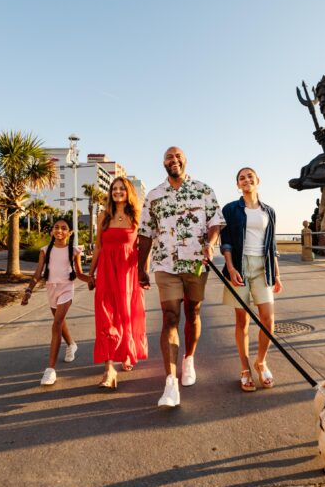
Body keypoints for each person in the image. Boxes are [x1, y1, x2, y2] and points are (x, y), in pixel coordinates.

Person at [138, 146, 224, 408]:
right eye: (168, 157)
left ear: (185, 161)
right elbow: (144, 232)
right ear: (163, 163)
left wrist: (210, 243)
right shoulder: (154, 195)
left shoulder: (203, 189)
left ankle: (189, 359)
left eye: (177, 157)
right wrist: (141, 267)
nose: (173, 160)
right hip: (165, 264)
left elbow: (215, 222)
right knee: (170, 317)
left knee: (193, 311)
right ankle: (170, 382)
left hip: (196, 262)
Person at [220, 167, 282, 391]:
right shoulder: (230, 209)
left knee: (268, 319)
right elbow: (225, 242)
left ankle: (261, 362)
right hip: (240, 266)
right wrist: (230, 267)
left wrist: (276, 274)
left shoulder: (269, 212)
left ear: (258, 181)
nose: (246, 180)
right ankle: (245, 368)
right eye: (241, 178)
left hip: (262, 268)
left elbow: (272, 245)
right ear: (238, 185)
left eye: (249, 177)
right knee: (242, 321)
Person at [87, 176, 148, 389]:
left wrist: (144, 272)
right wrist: (91, 272)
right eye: (114, 188)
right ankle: (109, 368)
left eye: (122, 188)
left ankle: (128, 351)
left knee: (126, 314)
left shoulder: (137, 216)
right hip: (106, 271)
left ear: (128, 192)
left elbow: (143, 247)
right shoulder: (104, 216)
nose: (118, 191)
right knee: (106, 317)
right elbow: (98, 247)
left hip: (128, 272)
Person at [21, 218, 90, 386]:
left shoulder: (74, 251)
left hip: (66, 289)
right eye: (56, 227)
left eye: (64, 228)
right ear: (52, 231)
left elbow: (80, 274)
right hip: (51, 289)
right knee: (59, 322)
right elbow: (38, 273)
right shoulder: (45, 251)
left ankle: (50, 370)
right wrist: (29, 290)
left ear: (70, 232)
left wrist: (93, 280)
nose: (59, 230)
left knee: (56, 324)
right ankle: (72, 344)